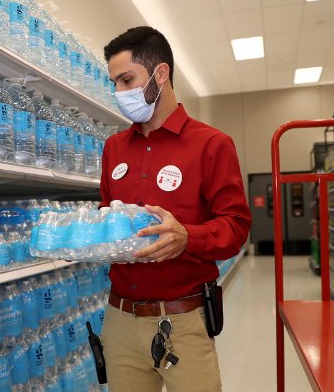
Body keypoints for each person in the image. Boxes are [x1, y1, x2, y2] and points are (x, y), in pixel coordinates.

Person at [99, 26, 252, 392]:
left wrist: (188, 237)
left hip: (183, 322)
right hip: (119, 319)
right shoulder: (113, 148)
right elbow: (107, 212)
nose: (119, 93)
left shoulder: (212, 144)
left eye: (126, 80)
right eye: (114, 83)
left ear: (160, 74)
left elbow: (237, 226)